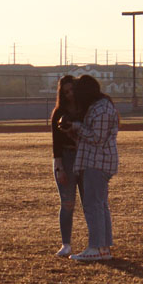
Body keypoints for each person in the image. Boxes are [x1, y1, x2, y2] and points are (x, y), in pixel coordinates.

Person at [65, 74, 119, 262]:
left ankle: (96, 246)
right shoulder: (99, 107)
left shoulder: (102, 109)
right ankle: (103, 247)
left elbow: (97, 138)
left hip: (98, 162)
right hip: (95, 160)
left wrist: (78, 127)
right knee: (100, 205)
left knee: (93, 205)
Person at [50, 75, 83, 257]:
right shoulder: (58, 112)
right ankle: (66, 244)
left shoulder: (84, 110)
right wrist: (59, 167)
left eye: (72, 90)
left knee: (89, 203)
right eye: (66, 92)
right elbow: (56, 144)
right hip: (67, 157)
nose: (69, 94)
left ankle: (95, 243)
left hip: (84, 156)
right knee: (67, 203)